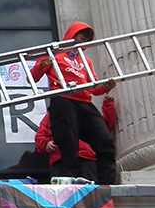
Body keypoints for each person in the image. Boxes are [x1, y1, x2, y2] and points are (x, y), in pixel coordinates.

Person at [30, 22, 118, 184]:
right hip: (63, 100)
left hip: (85, 103)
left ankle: (108, 184)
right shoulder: (55, 54)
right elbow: (33, 78)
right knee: (68, 145)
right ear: (72, 34)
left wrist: (106, 87)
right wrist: (43, 65)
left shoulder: (86, 61)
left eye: (87, 38)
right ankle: (68, 184)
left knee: (105, 142)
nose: (84, 40)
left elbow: (94, 88)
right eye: (82, 35)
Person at [35, 95, 116, 183]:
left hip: (87, 160)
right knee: (63, 192)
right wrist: (46, 144)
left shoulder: (85, 112)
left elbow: (105, 130)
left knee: (90, 192)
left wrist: (108, 105)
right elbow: (39, 137)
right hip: (62, 161)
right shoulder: (51, 116)